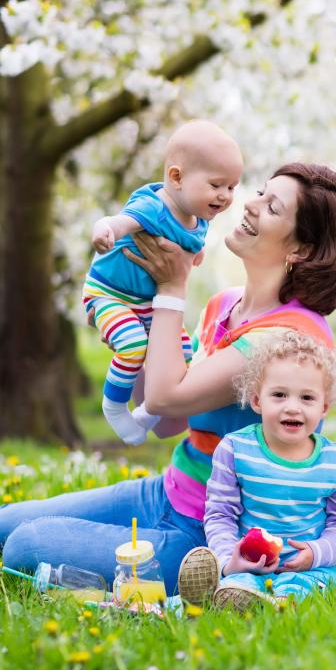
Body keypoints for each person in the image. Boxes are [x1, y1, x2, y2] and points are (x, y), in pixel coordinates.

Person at [0, 162, 336, 595]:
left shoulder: (287, 338)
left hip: (212, 534)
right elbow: (169, 421)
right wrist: (137, 320)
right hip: (168, 492)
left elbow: (167, 398)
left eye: (272, 206)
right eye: (260, 192)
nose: (250, 203)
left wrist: (171, 290)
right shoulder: (226, 305)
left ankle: (191, 582)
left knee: (24, 546)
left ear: (300, 250)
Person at [84, 120, 243, 445]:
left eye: (232, 187)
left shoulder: (198, 219)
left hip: (146, 303)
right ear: (176, 177)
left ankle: (146, 414)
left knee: (182, 354)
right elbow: (118, 221)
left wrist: (191, 260)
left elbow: (190, 251)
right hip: (110, 294)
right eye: (217, 185)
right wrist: (104, 231)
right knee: (132, 346)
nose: (225, 196)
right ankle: (114, 405)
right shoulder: (154, 207)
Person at [175, 332, 336, 610]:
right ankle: (230, 591)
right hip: (249, 564)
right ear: (258, 401)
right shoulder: (235, 450)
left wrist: (316, 553)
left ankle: (277, 601)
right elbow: (220, 514)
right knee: (240, 584)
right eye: (279, 395)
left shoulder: (333, 461)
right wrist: (229, 561)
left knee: (303, 587)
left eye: (307, 398)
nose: (292, 407)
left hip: (314, 569)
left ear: (324, 408)